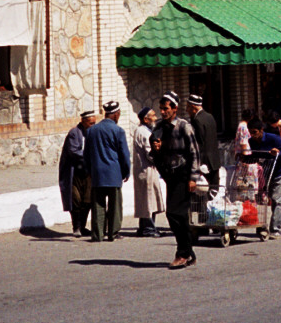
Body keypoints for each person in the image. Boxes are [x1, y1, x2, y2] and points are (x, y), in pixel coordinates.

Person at [150, 93, 200, 268]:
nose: (163, 112)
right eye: (161, 109)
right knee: (178, 215)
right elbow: (154, 152)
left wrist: (193, 178)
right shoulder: (159, 127)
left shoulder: (184, 127)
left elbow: (194, 153)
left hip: (183, 175)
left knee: (175, 213)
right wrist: (156, 148)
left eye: (166, 109)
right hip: (169, 175)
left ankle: (183, 253)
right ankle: (188, 252)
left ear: (175, 109)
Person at [247, 112, 281, 235]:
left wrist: (278, 153)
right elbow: (255, 156)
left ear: (261, 130)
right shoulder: (252, 141)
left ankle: (275, 229)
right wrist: (244, 158)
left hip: (280, 173)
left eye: (255, 132)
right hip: (266, 173)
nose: (253, 135)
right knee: (278, 200)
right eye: (250, 133)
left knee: (277, 200)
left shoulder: (273, 138)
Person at [84, 101, 131, 242]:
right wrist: (126, 171)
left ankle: (98, 234)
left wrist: (89, 170)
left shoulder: (91, 130)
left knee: (98, 205)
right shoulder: (118, 131)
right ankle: (113, 233)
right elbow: (124, 154)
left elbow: (86, 154)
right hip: (113, 173)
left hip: (97, 173)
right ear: (116, 114)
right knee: (115, 205)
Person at [58, 110, 95, 236]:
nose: (93, 125)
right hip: (75, 173)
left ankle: (83, 226)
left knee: (87, 200)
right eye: (90, 123)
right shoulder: (74, 133)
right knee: (75, 200)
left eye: (94, 123)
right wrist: (90, 156)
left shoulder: (92, 133)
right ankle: (76, 227)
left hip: (87, 172)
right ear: (83, 122)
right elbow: (74, 151)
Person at [132, 106, 165, 237]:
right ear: (146, 119)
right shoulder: (144, 133)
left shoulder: (143, 130)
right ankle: (148, 228)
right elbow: (150, 153)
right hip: (146, 171)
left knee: (146, 200)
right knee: (148, 201)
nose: (156, 118)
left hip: (146, 170)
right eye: (153, 116)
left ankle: (144, 227)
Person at [187, 93, 221, 194]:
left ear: (193, 107)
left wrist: (198, 164)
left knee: (203, 193)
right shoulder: (210, 116)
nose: (186, 110)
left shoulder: (197, 120)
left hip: (205, 163)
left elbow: (199, 144)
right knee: (214, 191)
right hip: (214, 161)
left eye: (188, 107)